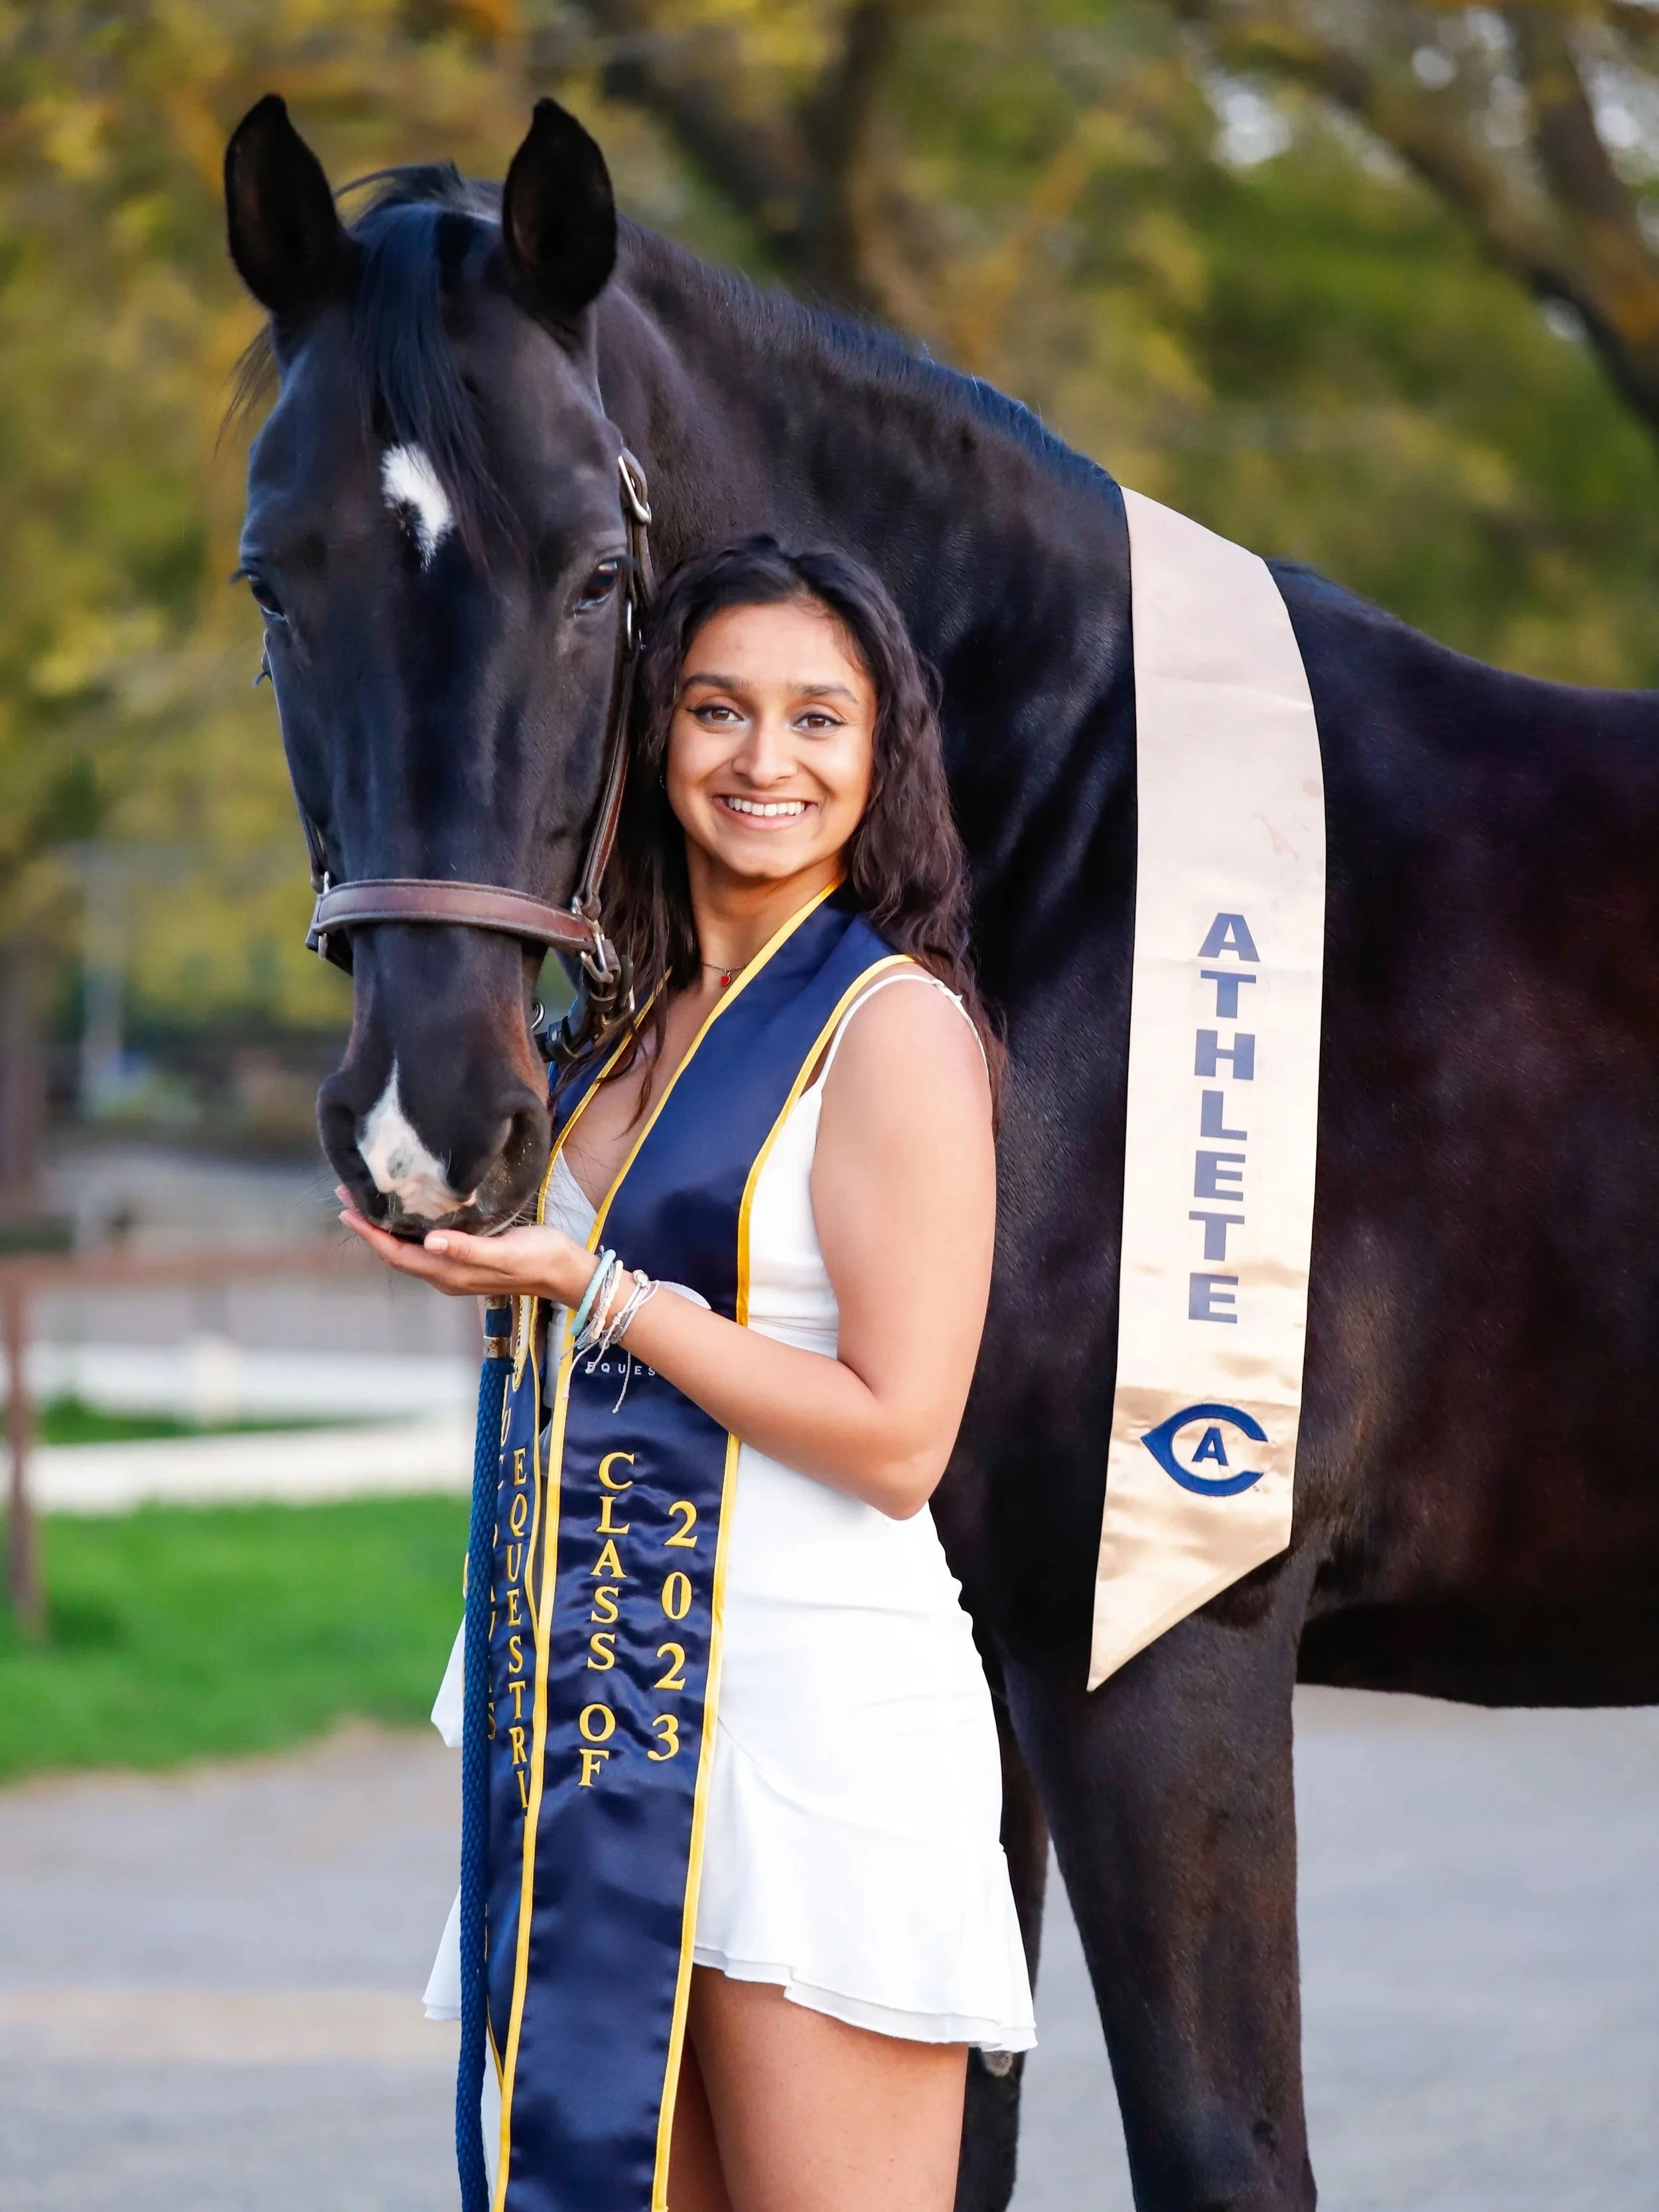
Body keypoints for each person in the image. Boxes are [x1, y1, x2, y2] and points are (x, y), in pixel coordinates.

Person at [343, 536, 1034, 2212]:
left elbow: (897, 1438)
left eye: (818, 718)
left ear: (880, 759)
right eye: (718, 710)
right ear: (653, 736)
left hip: (810, 1733)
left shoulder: (892, 1032)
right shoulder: (608, 1033)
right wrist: (472, 1258)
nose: (763, 760)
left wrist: (596, 1284)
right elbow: (598, 1345)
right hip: (599, 1719)